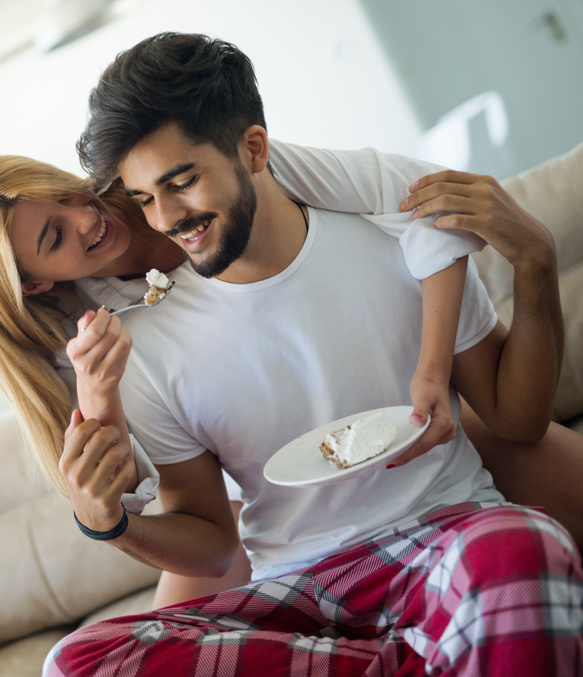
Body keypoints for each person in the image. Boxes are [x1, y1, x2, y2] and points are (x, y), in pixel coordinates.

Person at [42, 33, 580, 675]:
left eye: (181, 183)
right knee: (79, 660)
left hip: (445, 541)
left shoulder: (399, 245)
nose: (164, 220)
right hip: (301, 593)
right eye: (143, 199)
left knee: (524, 544)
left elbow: (518, 419)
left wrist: (536, 264)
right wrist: (109, 524)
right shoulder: (145, 346)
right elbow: (211, 540)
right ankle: (426, 656)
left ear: (254, 149)